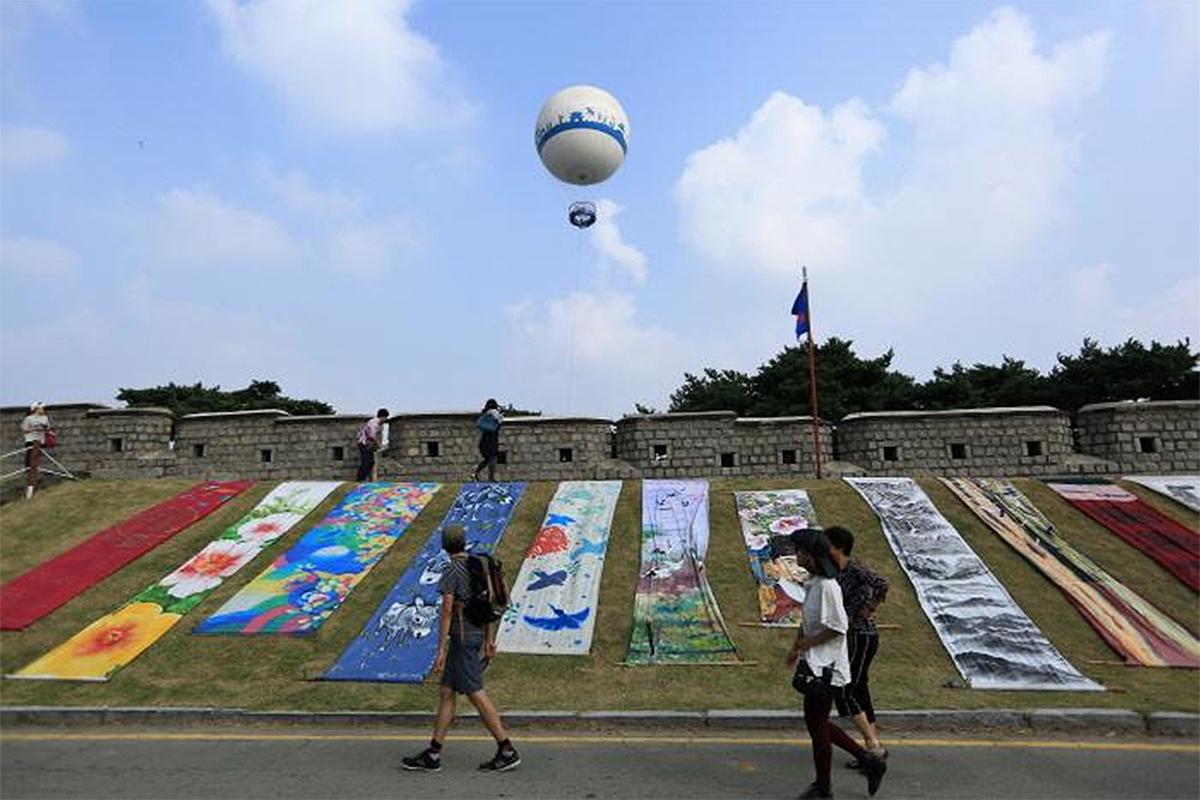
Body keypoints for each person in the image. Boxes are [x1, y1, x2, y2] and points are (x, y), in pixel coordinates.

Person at [402, 524, 520, 773]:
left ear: (444, 545)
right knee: (447, 692)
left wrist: (441, 648)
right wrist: (488, 639)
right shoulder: (477, 564)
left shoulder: (452, 569)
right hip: (475, 634)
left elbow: (447, 609)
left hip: (462, 639)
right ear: (463, 542)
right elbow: (484, 606)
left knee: (476, 693)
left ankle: (506, 748)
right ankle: (433, 753)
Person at [786, 528, 887, 799]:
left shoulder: (827, 587)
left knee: (817, 725)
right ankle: (863, 764)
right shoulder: (816, 583)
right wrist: (797, 647)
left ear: (810, 555)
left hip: (827, 666)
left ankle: (826, 786)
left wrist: (807, 644)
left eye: (799, 551)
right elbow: (809, 621)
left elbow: (838, 627)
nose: (796, 555)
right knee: (817, 723)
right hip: (817, 661)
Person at [827, 526, 889, 766]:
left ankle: (873, 746)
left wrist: (869, 608)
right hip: (848, 636)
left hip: (862, 636)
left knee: (847, 688)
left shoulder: (855, 568)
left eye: (827, 545)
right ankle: (872, 748)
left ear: (838, 547)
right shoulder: (835, 572)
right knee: (860, 688)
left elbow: (882, 584)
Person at [20, 402, 51, 500]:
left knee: (36, 461)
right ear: (36, 409)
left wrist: (44, 427)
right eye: (41, 408)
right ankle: (30, 483)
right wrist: (34, 429)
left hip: (40, 441)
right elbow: (24, 429)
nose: (43, 410)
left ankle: (33, 481)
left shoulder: (45, 418)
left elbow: (48, 427)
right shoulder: (29, 418)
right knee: (31, 461)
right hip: (31, 441)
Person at [472, 399, 503, 482]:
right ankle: (491, 478)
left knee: (488, 459)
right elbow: (499, 422)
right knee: (493, 458)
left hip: (485, 442)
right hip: (490, 441)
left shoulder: (485, 414)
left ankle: (476, 474)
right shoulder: (494, 413)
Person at [356, 408, 389, 482]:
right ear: (383, 416)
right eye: (386, 417)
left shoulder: (378, 424)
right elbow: (371, 436)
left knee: (370, 462)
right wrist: (379, 445)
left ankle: (363, 479)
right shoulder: (373, 423)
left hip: (368, 445)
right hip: (364, 444)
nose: (386, 419)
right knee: (366, 462)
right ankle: (359, 480)